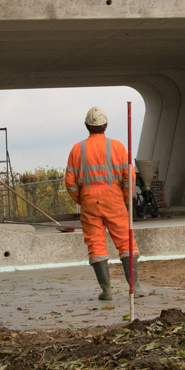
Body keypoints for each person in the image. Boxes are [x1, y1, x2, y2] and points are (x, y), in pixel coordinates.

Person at [65, 107, 137, 299]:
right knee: (125, 241)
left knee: (95, 244)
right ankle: (135, 288)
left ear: (87, 126)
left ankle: (106, 291)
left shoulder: (76, 149)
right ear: (106, 125)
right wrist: (125, 197)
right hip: (114, 198)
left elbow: (70, 182)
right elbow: (129, 176)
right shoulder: (118, 146)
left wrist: (82, 199)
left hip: (89, 201)